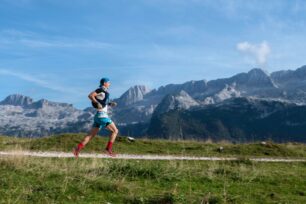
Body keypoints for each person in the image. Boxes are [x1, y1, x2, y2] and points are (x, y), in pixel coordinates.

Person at [73, 77, 118, 158]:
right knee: (115, 131)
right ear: (104, 83)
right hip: (102, 116)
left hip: (98, 116)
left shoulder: (104, 92)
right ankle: (108, 149)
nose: (110, 84)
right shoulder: (100, 90)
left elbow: (103, 102)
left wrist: (111, 104)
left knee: (90, 135)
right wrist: (96, 102)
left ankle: (77, 149)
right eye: (109, 82)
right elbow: (90, 95)